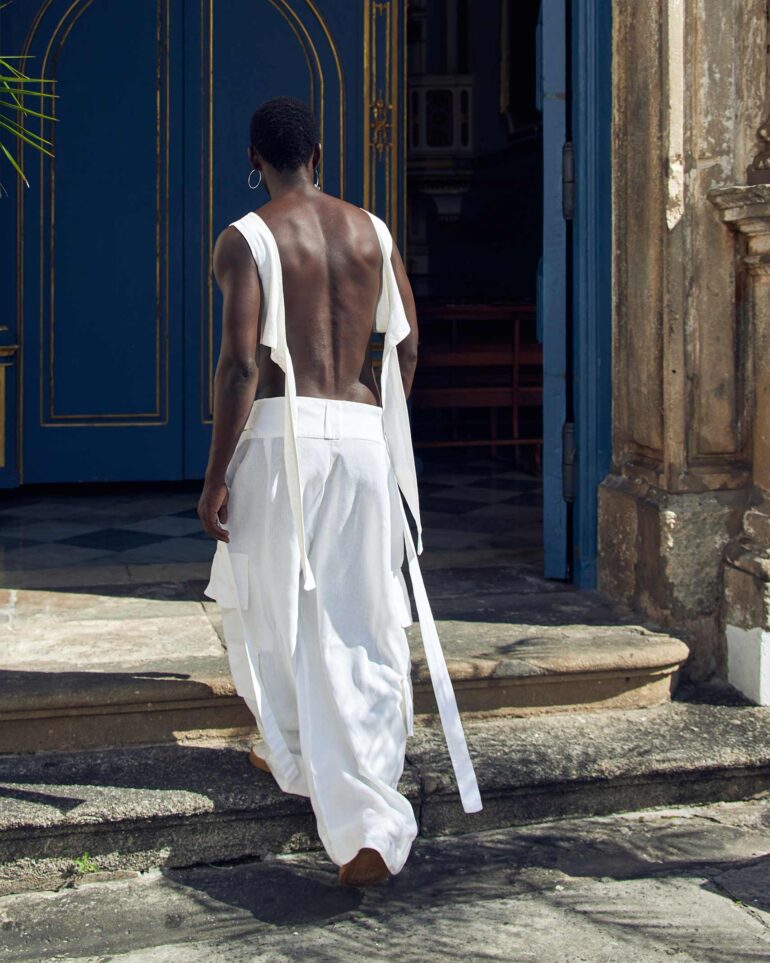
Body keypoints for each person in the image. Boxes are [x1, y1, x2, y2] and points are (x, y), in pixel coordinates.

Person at [198, 96, 481, 888]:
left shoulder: (246, 237)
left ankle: (311, 767)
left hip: (283, 439)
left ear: (255, 159)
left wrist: (216, 476)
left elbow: (242, 366)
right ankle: (339, 778)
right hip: (361, 437)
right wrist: (378, 426)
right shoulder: (375, 232)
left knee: (273, 607)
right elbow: (408, 343)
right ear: (318, 152)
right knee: (360, 615)